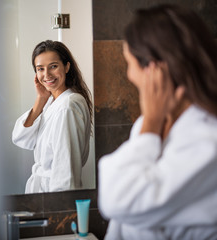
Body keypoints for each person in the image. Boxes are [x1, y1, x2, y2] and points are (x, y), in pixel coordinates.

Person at [98, 4, 217, 240]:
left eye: (128, 63)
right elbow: (120, 224)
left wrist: (151, 122)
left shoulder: (207, 140)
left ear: (154, 69)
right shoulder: (149, 125)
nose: (129, 75)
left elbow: (118, 200)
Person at [12, 40, 92, 194]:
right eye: (40, 69)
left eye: (53, 66)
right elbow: (21, 139)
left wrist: (57, 208)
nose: (46, 74)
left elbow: (65, 169)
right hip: (43, 190)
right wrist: (40, 100)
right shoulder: (52, 102)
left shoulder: (67, 106)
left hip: (53, 194)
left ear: (67, 67)